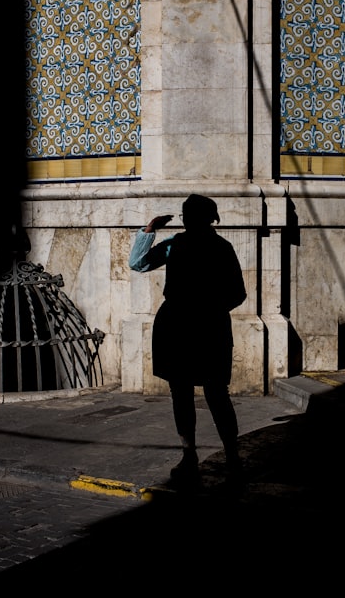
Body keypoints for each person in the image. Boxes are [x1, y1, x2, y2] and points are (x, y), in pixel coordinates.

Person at [128, 194, 247, 488]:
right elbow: (139, 263)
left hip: (194, 324)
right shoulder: (181, 244)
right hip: (188, 325)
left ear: (205, 218)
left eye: (189, 215)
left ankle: (215, 455)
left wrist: (208, 308)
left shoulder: (212, 247)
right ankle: (204, 455)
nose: (187, 220)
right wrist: (149, 230)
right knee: (195, 392)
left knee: (209, 392)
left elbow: (237, 292)